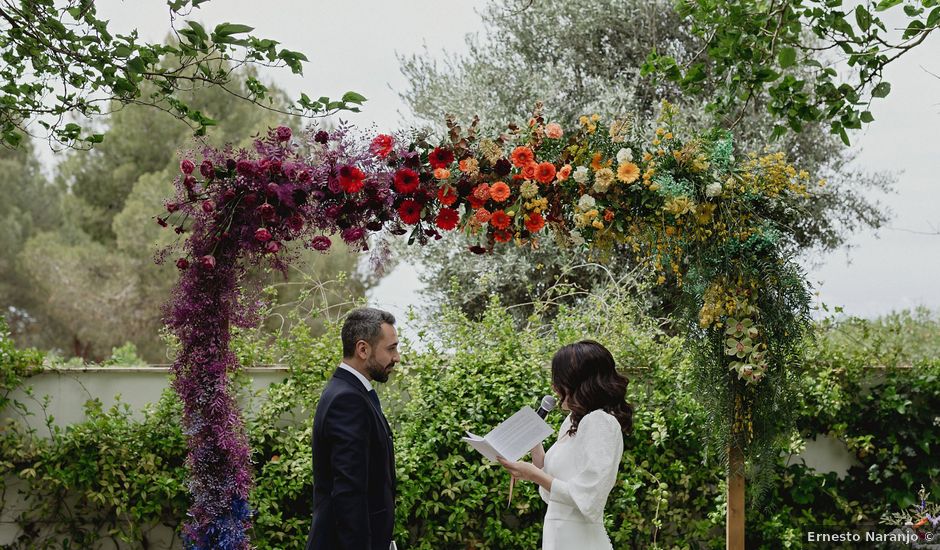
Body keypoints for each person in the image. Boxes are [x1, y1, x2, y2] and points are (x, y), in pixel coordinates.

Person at [498, 340, 633, 550]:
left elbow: (590, 496)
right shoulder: (572, 421)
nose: (554, 387)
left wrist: (533, 473)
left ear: (579, 382)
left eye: (559, 380)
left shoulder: (600, 422)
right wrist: (534, 447)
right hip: (558, 538)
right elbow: (555, 486)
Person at [306, 307, 400, 550]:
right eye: (391, 348)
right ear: (362, 349)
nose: (397, 357)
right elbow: (348, 493)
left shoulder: (351, 392)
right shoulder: (347, 400)